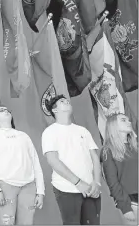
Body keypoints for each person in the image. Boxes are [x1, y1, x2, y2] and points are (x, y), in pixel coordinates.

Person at [42, 95, 102, 225]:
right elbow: (53, 160)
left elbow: (95, 158)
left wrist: (97, 183)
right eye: (62, 102)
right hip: (66, 189)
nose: (67, 102)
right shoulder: (50, 132)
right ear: (55, 110)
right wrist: (78, 183)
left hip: (91, 189)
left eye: (67, 101)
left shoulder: (83, 131)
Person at [0, 106, 45, 225]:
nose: (5, 111)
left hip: (28, 187)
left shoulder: (24, 136)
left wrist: (40, 191)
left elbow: (36, 163)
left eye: (7, 110)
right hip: (5, 186)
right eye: (0, 110)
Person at [101, 113, 138, 225]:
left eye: (128, 119)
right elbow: (112, 182)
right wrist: (125, 207)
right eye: (123, 120)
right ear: (113, 126)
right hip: (131, 200)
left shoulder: (135, 147)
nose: (129, 122)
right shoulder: (108, 151)